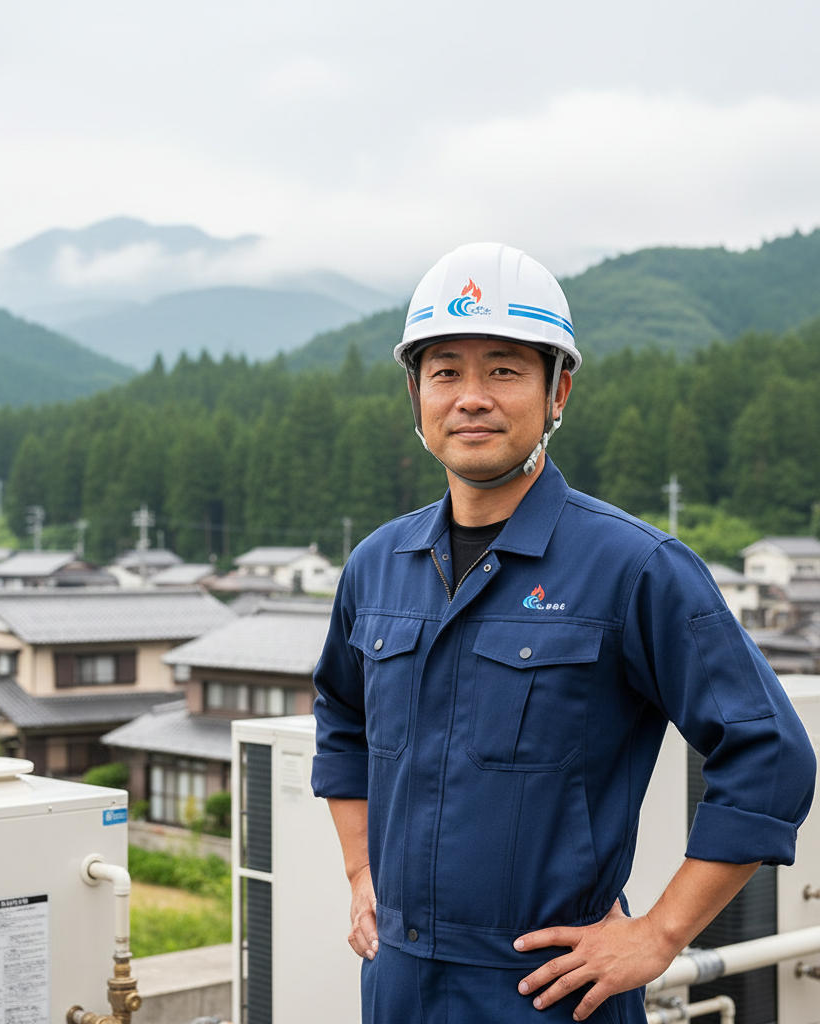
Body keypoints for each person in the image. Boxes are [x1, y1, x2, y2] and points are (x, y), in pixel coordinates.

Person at [310, 243, 816, 1023]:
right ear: (415, 393)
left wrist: (656, 936)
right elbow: (342, 718)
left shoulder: (633, 567)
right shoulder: (378, 565)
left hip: (552, 992)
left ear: (558, 392)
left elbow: (769, 756)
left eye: (504, 370)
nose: (471, 397)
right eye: (445, 371)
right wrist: (358, 873)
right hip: (398, 983)